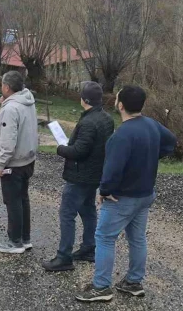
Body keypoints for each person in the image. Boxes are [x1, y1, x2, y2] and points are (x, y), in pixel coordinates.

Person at [76, 85, 177, 303]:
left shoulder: (121, 135)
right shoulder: (152, 124)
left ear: (120, 105)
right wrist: (150, 157)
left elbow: (112, 170)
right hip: (145, 194)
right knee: (137, 238)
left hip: (123, 198)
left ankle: (101, 287)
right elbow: (171, 142)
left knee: (104, 237)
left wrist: (104, 191)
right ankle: (133, 282)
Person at [43, 81, 114, 272]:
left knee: (67, 214)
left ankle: (64, 256)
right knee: (88, 210)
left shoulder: (89, 122)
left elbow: (79, 151)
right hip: (94, 174)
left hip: (80, 175)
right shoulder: (107, 119)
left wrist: (60, 148)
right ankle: (89, 248)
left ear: (84, 100)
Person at [0, 71, 38, 254]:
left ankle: (15, 241)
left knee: (13, 202)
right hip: (28, 159)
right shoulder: (28, 101)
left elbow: (8, 142)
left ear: (7, 87)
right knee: (23, 199)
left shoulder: (11, 109)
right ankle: (25, 238)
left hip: (14, 163)